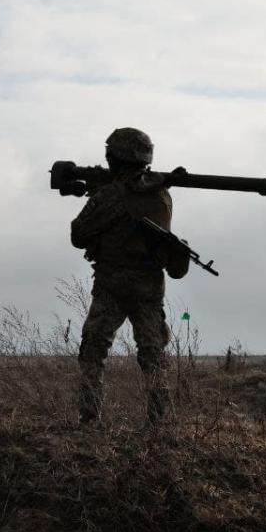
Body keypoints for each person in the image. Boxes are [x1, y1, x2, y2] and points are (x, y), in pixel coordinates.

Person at [70, 128, 189, 426]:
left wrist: (101, 196)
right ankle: (158, 424)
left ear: (115, 158)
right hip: (147, 288)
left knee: (93, 351)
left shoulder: (112, 195)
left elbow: (78, 234)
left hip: (112, 284)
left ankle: (90, 419)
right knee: (153, 356)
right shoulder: (160, 194)